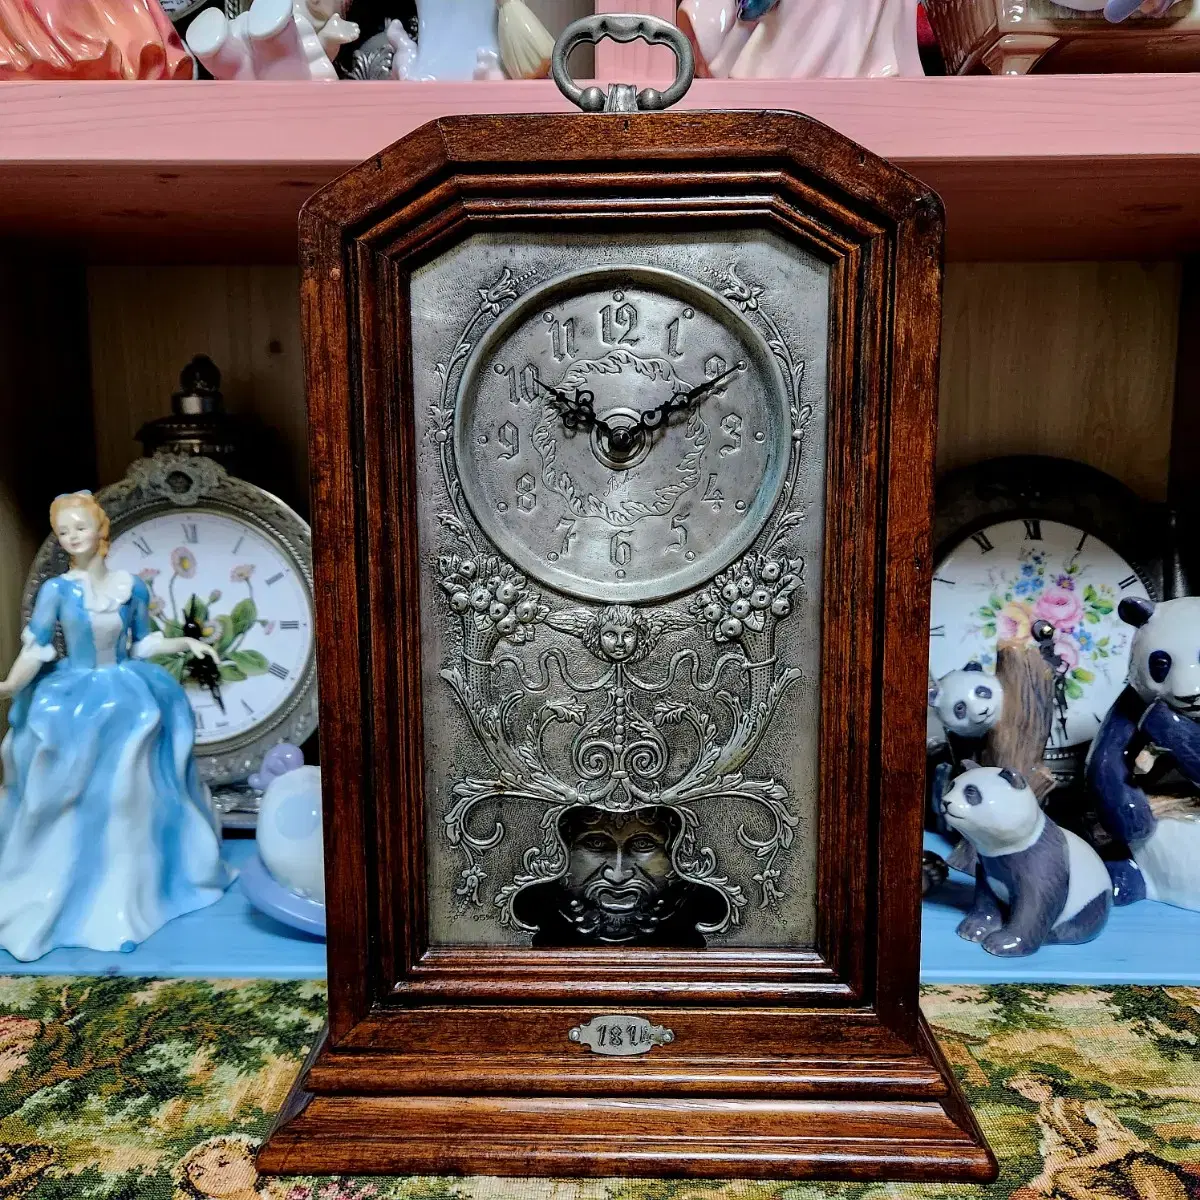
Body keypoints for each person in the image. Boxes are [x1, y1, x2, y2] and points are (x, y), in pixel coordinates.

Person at [0, 491, 232, 962]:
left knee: (134, 797)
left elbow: (142, 645)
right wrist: (9, 685)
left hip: (126, 693)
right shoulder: (57, 591)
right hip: (76, 698)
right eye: (63, 531)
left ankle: (135, 896)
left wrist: (188, 642)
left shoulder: (131, 586)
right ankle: (66, 889)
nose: (71, 538)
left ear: (100, 530)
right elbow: (38, 647)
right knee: (72, 793)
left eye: (79, 528)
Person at [1008, 1073, 1190, 1200]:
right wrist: (1049, 1173)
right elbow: (1057, 1148)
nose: (1028, 1093)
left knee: (1161, 1190)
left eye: (1031, 1086)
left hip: (1132, 1161)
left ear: (1047, 1083)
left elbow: (1116, 1148)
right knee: (1064, 1180)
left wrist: (1067, 1165)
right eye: (1022, 1090)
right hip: (1098, 1168)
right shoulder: (1046, 1113)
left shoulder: (1086, 1104)